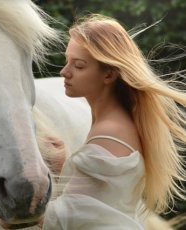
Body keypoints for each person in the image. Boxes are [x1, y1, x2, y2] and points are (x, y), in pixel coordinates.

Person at [41, 14, 186, 229]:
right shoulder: (116, 123)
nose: (64, 72)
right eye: (66, 61)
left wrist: (22, 216)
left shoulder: (109, 133)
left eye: (78, 66)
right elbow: (104, 203)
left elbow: (71, 220)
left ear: (109, 75)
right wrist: (64, 167)